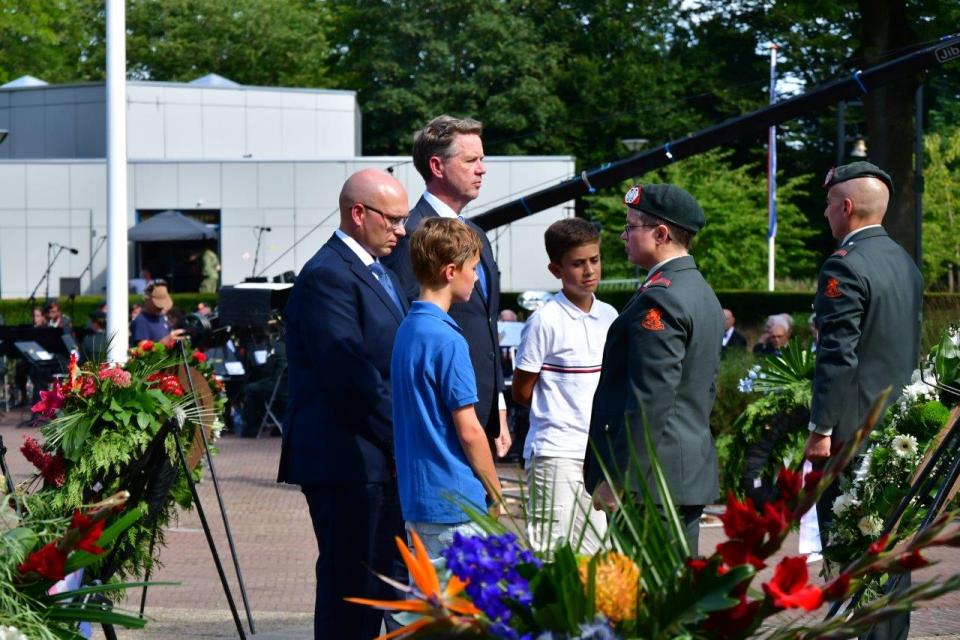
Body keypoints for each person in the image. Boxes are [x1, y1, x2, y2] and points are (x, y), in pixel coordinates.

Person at [278, 168, 410, 640]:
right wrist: (404, 443)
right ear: (359, 213)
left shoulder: (376, 271)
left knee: (373, 585)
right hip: (349, 462)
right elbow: (350, 375)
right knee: (351, 592)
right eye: (393, 219)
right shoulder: (328, 276)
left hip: (371, 460)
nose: (402, 229)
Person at [803, 162, 922, 640]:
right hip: (898, 434)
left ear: (846, 207)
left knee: (853, 554)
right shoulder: (905, 263)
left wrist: (820, 429)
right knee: (891, 553)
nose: (826, 212)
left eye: (830, 203)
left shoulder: (845, 264)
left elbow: (838, 356)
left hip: (852, 437)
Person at [584, 184, 723, 556]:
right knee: (673, 601)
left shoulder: (662, 296)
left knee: (648, 602)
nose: (623, 236)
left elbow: (650, 399)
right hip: (677, 473)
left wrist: (620, 477)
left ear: (661, 234)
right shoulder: (696, 289)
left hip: (651, 482)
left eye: (631, 227)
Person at [383, 115, 511, 459]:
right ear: (437, 166)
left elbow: (486, 324)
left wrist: (497, 403)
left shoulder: (477, 234)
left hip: (481, 414)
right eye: (471, 160)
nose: (482, 169)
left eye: (482, 159)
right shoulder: (409, 236)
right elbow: (407, 325)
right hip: (441, 420)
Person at [392, 217, 503, 558]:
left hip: (418, 500)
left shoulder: (408, 330)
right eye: (472, 267)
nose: (477, 276)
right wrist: (495, 492)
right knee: (465, 608)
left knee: (433, 606)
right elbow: (469, 429)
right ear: (450, 271)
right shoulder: (448, 339)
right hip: (456, 504)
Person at [512, 218, 616, 554]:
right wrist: (558, 413)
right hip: (554, 453)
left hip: (597, 456)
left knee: (599, 556)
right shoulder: (544, 320)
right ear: (556, 270)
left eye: (594, 260)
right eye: (577, 264)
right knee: (552, 556)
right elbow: (522, 390)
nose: (589, 271)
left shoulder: (610, 316)